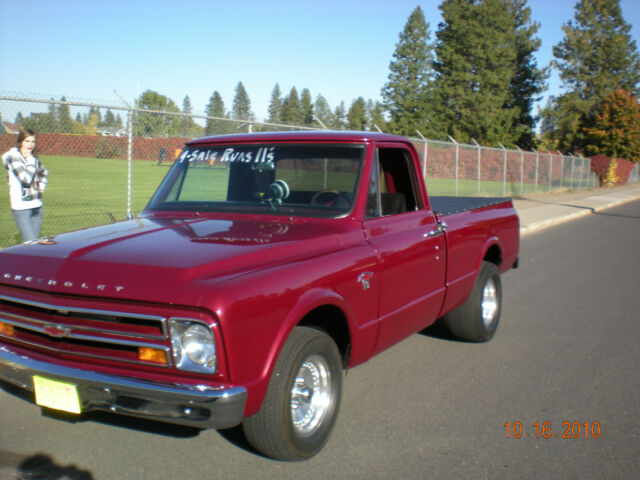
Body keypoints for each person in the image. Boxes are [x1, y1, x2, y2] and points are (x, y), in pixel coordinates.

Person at [2, 128, 48, 243]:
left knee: (34, 246)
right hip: (22, 208)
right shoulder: (12, 157)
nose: (30, 145)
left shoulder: (33, 159)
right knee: (30, 244)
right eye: (27, 141)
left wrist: (40, 188)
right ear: (21, 141)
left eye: (33, 141)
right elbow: (25, 179)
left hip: (36, 206)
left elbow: (44, 172)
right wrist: (31, 160)